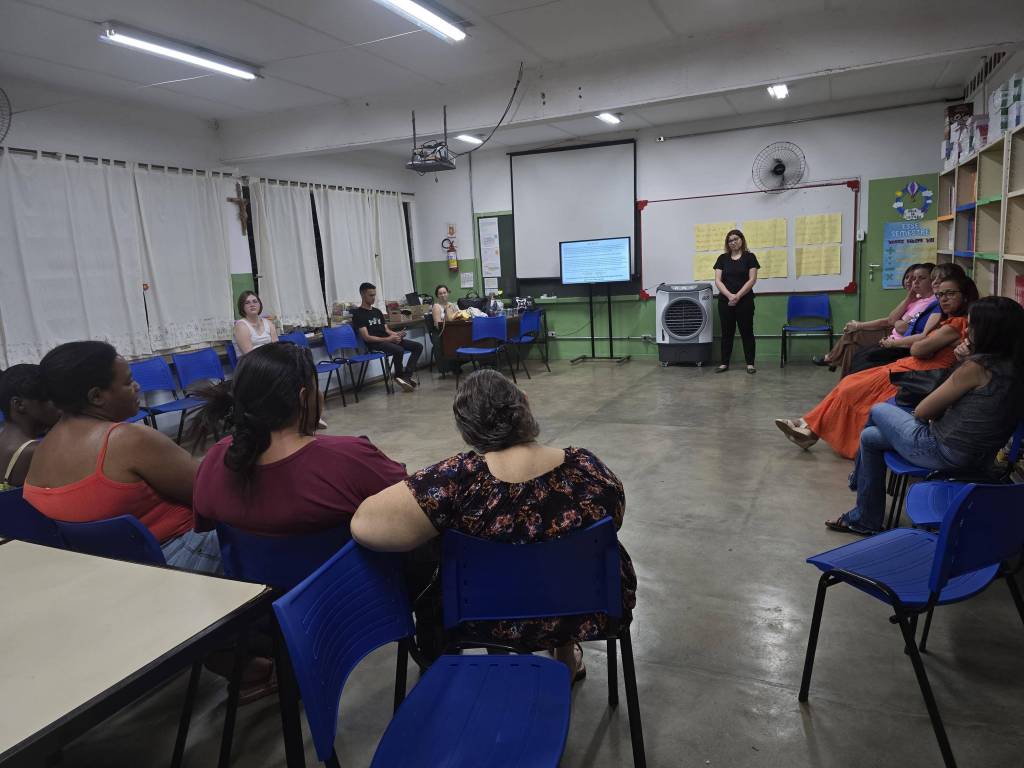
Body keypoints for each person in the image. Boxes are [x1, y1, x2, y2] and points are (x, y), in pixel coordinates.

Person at [351, 369, 637, 682]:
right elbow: (616, 517)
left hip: (488, 621)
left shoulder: (456, 481)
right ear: (525, 404)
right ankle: (566, 659)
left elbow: (363, 525)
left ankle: (505, 666)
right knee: (562, 555)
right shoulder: (586, 469)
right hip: (587, 610)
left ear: (467, 430)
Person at [826, 296, 1024, 534]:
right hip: (983, 457)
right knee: (869, 437)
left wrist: (962, 363)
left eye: (971, 326)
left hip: (945, 451)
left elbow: (923, 411)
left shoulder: (976, 367)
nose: (966, 332)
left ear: (988, 332)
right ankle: (864, 517)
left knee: (878, 409)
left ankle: (859, 491)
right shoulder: (1014, 366)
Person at [23, 341, 220, 573]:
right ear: (97, 396)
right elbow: (213, 495)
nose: (137, 386)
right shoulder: (128, 440)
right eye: (128, 382)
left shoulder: (41, 451)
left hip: (105, 569)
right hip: (173, 558)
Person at [193, 343, 407, 535]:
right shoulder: (349, 458)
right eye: (316, 386)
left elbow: (207, 526)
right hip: (339, 568)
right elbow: (414, 501)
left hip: (245, 567)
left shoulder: (216, 459)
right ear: (304, 398)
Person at [774, 273, 978, 459]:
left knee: (851, 387)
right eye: (940, 294)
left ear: (965, 296)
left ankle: (810, 427)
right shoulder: (946, 319)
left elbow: (918, 349)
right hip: (910, 365)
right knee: (850, 381)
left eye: (950, 294)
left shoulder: (955, 325)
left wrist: (922, 343)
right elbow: (902, 328)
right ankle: (808, 426)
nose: (943, 299)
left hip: (918, 373)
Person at [813, 263, 939, 375]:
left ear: (933, 282)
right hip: (893, 335)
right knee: (851, 346)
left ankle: (832, 360)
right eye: (909, 278)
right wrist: (907, 301)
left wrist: (860, 325)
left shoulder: (930, 303)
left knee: (855, 335)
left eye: (920, 278)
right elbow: (892, 320)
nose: (912, 282)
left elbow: (897, 325)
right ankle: (843, 381)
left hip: (897, 341)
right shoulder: (916, 298)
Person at [351, 282, 422, 392]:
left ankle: (406, 377)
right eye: (371, 295)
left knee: (418, 346)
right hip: (375, 344)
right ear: (363, 295)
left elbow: (386, 330)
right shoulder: (358, 314)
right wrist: (389, 339)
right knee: (399, 350)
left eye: (374, 295)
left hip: (387, 340)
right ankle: (399, 376)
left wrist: (396, 334)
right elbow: (366, 337)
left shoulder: (377, 311)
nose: (373, 298)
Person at [0, 365, 60, 490]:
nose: (58, 406)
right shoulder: (36, 451)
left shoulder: (4, 440)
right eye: (46, 399)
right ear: (19, 404)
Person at [713, 229, 760, 374]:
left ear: (742, 240)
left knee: (747, 332)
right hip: (725, 301)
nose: (733, 242)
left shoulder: (750, 257)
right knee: (727, 333)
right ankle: (724, 363)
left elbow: (752, 280)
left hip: (745, 301)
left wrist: (738, 296)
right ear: (727, 243)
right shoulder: (722, 258)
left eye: (736, 239)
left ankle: (750, 364)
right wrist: (729, 296)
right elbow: (718, 280)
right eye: (730, 240)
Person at [233, 290, 279, 356]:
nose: (252, 305)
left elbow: (277, 348)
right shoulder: (241, 326)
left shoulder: (269, 323)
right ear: (242, 307)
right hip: (252, 361)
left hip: (270, 359)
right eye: (247, 303)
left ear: (259, 304)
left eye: (255, 301)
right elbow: (250, 356)